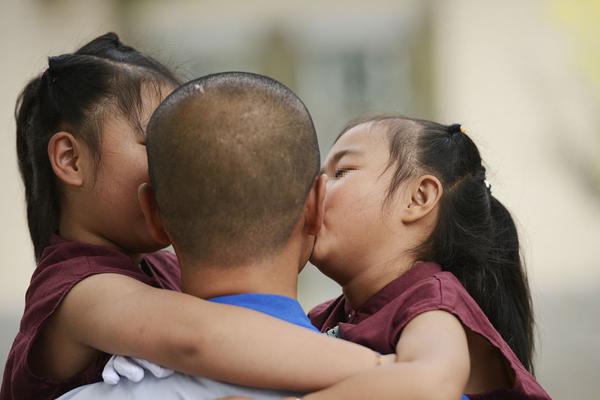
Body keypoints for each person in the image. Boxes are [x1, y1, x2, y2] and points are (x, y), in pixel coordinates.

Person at [1, 35, 382, 400]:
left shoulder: (156, 267)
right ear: (70, 159)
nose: (182, 164)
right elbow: (196, 338)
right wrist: (387, 370)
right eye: (157, 144)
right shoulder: (77, 290)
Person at [306, 116, 552, 399]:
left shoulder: (433, 305)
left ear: (418, 198)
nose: (316, 187)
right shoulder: (329, 315)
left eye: (342, 172)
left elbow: (431, 385)